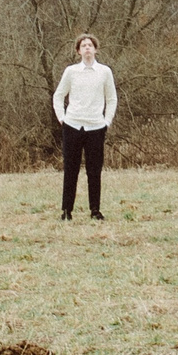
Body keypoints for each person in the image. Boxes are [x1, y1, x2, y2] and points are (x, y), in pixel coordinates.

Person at [51, 32, 117, 220]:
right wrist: (62, 119)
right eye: (83, 45)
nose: (87, 48)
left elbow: (111, 99)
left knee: (94, 171)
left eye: (90, 45)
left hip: (96, 127)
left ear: (95, 49)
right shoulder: (71, 72)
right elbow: (58, 96)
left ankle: (95, 210)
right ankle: (66, 211)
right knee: (70, 170)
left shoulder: (105, 72)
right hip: (72, 126)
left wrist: (107, 121)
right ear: (78, 51)